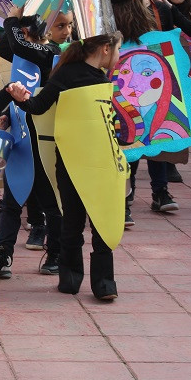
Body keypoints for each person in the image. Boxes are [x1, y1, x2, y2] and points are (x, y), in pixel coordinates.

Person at [14, 31, 123, 300]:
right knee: (72, 220)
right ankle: (70, 277)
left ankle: (104, 283)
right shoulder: (66, 74)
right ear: (106, 49)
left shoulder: (104, 79)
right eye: (118, 50)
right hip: (71, 161)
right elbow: (39, 106)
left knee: (101, 219)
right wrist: (21, 98)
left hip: (102, 161)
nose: (119, 57)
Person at [0, 11, 64, 278]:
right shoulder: (24, 57)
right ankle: (1, 255)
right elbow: (3, 45)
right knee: (10, 202)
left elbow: (18, 44)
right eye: (60, 25)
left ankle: (55, 254)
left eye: (68, 26)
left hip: (43, 143)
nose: (65, 32)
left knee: (51, 203)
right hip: (19, 141)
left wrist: (12, 19)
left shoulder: (51, 54)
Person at [109, 0, 182, 215]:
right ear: (133, 1)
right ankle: (124, 198)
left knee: (156, 139)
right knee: (127, 143)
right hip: (124, 95)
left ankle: (159, 192)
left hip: (149, 94)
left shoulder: (150, 27)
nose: (148, 1)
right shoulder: (111, 31)